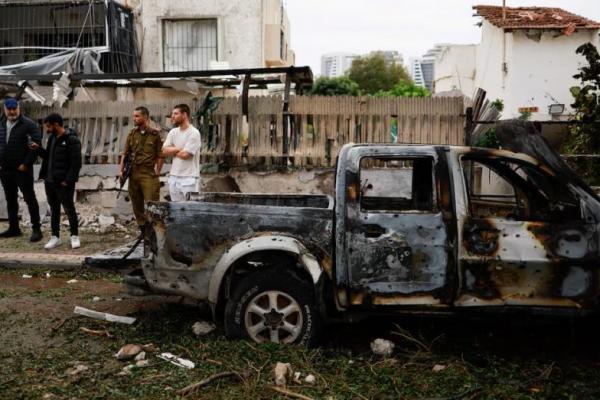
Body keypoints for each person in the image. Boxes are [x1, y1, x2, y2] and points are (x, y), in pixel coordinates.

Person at [30, 113, 82, 250]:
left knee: (69, 209)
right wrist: (39, 149)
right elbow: (48, 157)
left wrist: (68, 181)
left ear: (56, 125)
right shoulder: (52, 138)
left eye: (48, 126)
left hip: (63, 183)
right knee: (54, 210)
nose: (47, 129)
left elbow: (76, 164)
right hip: (50, 181)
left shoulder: (72, 140)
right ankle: (55, 237)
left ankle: (74, 236)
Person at [0, 97, 43, 242]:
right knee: (10, 199)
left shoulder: (28, 124)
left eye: (14, 108)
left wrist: (26, 163)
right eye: (9, 109)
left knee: (29, 198)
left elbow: (36, 144)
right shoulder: (1, 123)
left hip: (22, 170)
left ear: (19, 108)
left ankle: (36, 229)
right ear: (5, 109)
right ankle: (14, 228)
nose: (12, 111)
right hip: (5, 170)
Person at [119, 106, 164, 237]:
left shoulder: (155, 135)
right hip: (133, 173)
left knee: (152, 204)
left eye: (137, 116)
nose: (134, 118)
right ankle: (143, 231)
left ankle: (154, 233)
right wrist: (120, 171)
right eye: (134, 116)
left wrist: (158, 171)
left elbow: (160, 155)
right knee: (136, 204)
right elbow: (125, 153)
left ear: (145, 117)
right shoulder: (132, 134)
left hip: (148, 173)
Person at [162, 104, 201, 201]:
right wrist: (180, 148)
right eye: (172, 114)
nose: (172, 116)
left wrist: (172, 150)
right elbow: (163, 151)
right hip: (174, 177)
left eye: (175, 113)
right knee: (176, 210)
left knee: (189, 210)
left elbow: (186, 155)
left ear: (184, 115)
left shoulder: (194, 133)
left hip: (189, 178)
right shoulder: (173, 132)